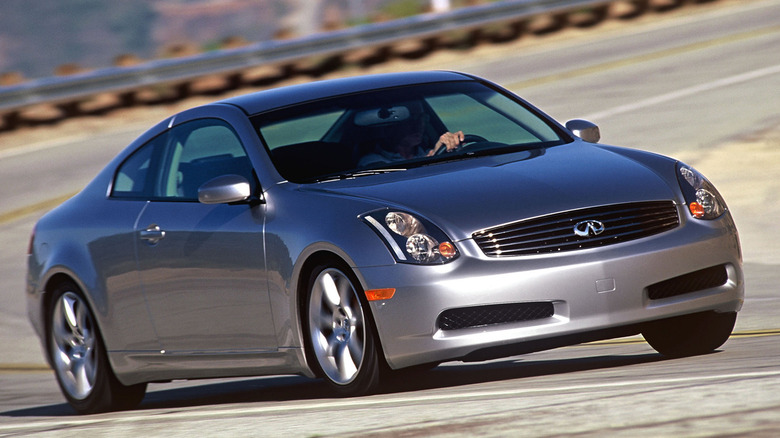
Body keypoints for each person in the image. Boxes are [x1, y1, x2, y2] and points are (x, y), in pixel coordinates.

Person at [357, 102, 464, 166]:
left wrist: (455, 146)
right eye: (410, 120)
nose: (419, 125)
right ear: (390, 126)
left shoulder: (426, 152)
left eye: (422, 118)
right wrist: (433, 155)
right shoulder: (371, 161)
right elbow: (396, 178)